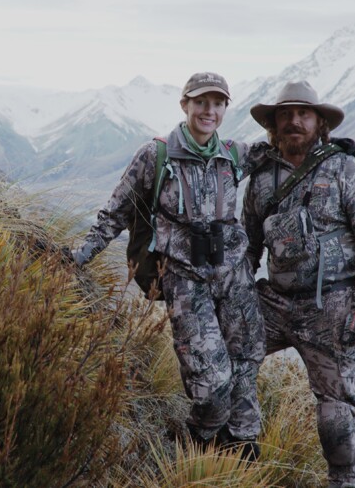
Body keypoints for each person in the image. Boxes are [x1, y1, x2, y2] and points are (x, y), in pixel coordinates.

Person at [71, 72, 267, 458]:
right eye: (200, 102)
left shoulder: (236, 153)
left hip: (234, 280)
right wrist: (80, 256)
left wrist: (328, 149)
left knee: (246, 366)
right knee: (212, 385)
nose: (208, 110)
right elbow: (115, 212)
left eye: (217, 103)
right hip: (184, 280)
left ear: (226, 108)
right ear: (185, 105)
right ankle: (197, 439)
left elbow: (286, 151)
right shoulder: (155, 155)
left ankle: (242, 448)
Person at [241, 81, 355, 487]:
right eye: (284, 114)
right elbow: (248, 247)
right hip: (274, 302)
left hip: (333, 307)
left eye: (303, 114)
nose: (294, 121)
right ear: (273, 124)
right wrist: (231, 298)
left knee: (336, 422)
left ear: (320, 121)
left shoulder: (347, 170)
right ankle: (236, 459)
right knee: (223, 364)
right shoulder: (260, 179)